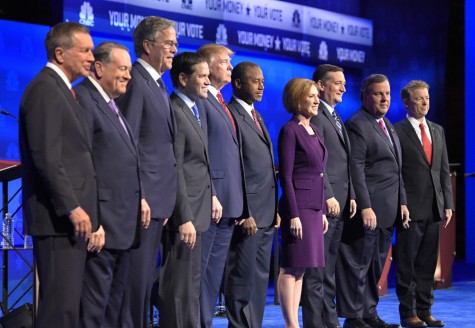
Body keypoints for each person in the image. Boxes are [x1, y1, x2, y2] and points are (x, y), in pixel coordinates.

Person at [19, 22, 97, 328]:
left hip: (69, 221)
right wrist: (72, 206)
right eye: (85, 50)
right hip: (57, 219)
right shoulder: (45, 89)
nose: (92, 56)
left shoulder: (63, 89)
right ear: (60, 53)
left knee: (68, 309)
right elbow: (47, 157)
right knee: (58, 311)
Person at [74, 42, 151, 327]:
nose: (129, 76)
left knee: (113, 310)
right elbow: (83, 165)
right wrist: (94, 220)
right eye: (122, 69)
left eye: (130, 70)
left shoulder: (111, 104)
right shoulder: (84, 99)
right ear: (98, 67)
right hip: (102, 228)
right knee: (94, 311)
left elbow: (124, 160)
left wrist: (140, 197)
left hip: (123, 227)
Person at [116, 16, 178, 328]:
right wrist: (139, 194)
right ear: (147, 45)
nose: (174, 49)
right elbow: (128, 144)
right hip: (142, 203)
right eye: (169, 43)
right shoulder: (136, 81)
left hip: (157, 203)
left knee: (142, 289)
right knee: (133, 286)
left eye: (175, 43)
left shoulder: (156, 83)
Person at [338, 74, 410, 328]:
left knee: (375, 265)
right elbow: (355, 169)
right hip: (369, 210)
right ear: (365, 96)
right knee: (358, 264)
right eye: (378, 94)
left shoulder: (387, 125)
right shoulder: (358, 124)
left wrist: (402, 201)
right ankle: (353, 316)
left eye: (387, 94)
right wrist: (365, 206)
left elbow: (396, 168)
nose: (384, 98)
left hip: (388, 210)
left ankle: (368, 312)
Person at [158, 52, 212, 328]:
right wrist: (184, 217)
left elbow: (199, 161)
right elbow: (175, 167)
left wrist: (211, 195)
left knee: (190, 287)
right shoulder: (175, 111)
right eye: (201, 76)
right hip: (185, 215)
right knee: (177, 289)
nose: (208, 81)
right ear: (182, 79)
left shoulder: (196, 108)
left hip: (199, 209)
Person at [394, 80, 453, 328]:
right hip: (410, 209)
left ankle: (425, 309)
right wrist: (402, 202)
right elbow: (396, 172)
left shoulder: (437, 130)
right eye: (419, 98)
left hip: (434, 208)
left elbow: (442, 170)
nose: (425, 102)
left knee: (428, 264)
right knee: (407, 264)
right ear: (406, 102)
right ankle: (409, 313)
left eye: (427, 98)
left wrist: (447, 203)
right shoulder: (396, 131)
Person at [225, 61, 280, 328]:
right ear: (238, 83)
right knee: (242, 279)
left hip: (267, 212)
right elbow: (235, 167)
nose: (262, 86)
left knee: (259, 280)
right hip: (248, 215)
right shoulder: (231, 114)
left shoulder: (255, 115)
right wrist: (245, 211)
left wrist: (275, 209)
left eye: (262, 81)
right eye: (255, 81)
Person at [302, 64, 357, 328]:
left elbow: (345, 162)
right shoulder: (317, 117)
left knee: (329, 267)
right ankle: (318, 322)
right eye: (338, 83)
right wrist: (329, 195)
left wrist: (353, 195)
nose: (344, 88)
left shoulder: (334, 116)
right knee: (318, 269)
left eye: (344, 83)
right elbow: (317, 163)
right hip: (324, 203)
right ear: (320, 86)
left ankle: (330, 320)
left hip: (341, 202)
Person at [195, 44, 244, 328]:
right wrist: (212, 192)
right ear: (208, 66)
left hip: (229, 202)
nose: (229, 67)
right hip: (211, 201)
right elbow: (201, 153)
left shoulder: (221, 101)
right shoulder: (202, 100)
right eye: (225, 62)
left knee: (213, 277)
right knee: (200, 275)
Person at [277, 78, 329, 328]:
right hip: (298, 208)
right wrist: (293, 214)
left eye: (316, 96)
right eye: (311, 96)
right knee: (291, 266)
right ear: (298, 99)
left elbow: (319, 172)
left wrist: (322, 212)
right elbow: (285, 175)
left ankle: (294, 323)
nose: (316, 100)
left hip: (314, 208)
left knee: (303, 268)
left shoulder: (315, 129)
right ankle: (291, 324)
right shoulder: (290, 130)